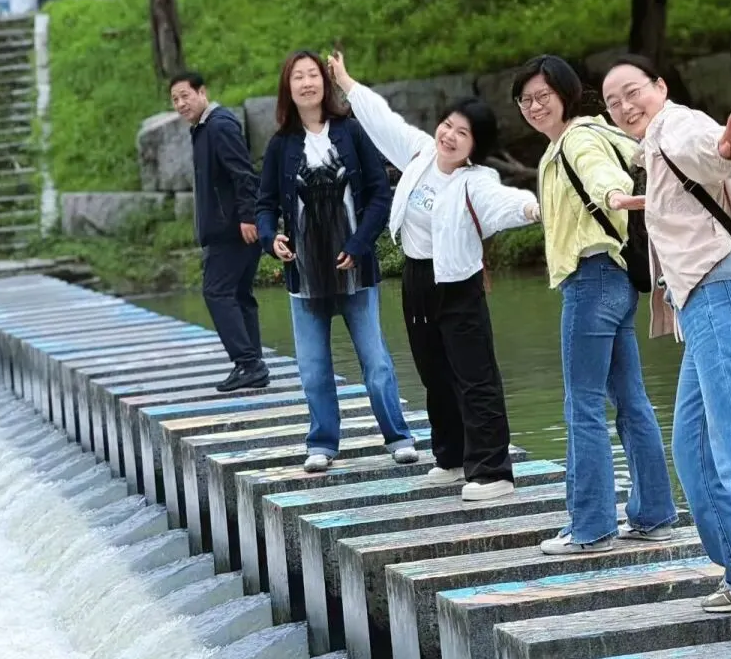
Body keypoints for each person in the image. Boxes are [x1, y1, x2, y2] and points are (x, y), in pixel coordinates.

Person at [600, 54, 731, 649]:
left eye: (632, 91)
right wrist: (635, 203)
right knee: (691, 448)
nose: (624, 106)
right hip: (704, 304)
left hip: (721, 294)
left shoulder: (680, 125)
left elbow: (714, 154)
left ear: (659, 88)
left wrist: (730, 147)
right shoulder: (654, 149)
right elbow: (689, 192)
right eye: (612, 101)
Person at [328, 51, 539, 502]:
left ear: (474, 146)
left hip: (457, 286)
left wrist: (532, 207)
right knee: (434, 373)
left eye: (462, 134)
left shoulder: (476, 181)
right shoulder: (423, 153)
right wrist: (347, 82)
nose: (449, 135)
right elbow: (384, 122)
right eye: (448, 125)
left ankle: (493, 470)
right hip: (417, 279)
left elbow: (504, 203)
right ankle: (451, 457)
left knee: (474, 377)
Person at [511, 54, 676, 556]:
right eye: (526, 100)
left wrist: (616, 195)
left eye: (544, 96)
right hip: (618, 280)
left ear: (566, 93)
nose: (536, 106)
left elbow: (604, 179)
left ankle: (591, 526)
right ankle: (654, 514)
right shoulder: (596, 133)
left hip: (591, 281)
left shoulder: (579, 140)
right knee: (630, 401)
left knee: (582, 404)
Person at [255, 50, 417, 473]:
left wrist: (362, 243)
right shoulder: (280, 145)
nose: (307, 83)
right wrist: (272, 239)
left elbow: (382, 194)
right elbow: (264, 206)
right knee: (312, 368)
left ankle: (398, 436)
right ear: (287, 89)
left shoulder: (350, 132)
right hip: (304, 275)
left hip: (355, 270)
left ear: (325, 85)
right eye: (298, 77)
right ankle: (323, 443)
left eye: (313, 75)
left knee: (377, 362)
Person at [170, 72, 270, 393]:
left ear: (202, 92)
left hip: (233, 231)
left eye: (185, 95)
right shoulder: (202, 129)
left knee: (216, 292)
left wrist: (248, 217)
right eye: (175, 99)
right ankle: (252, 365)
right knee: (240, 295)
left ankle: (248, 362)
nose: (181, 104)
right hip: (228, 228)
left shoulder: (219, 126)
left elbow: (243, 174)